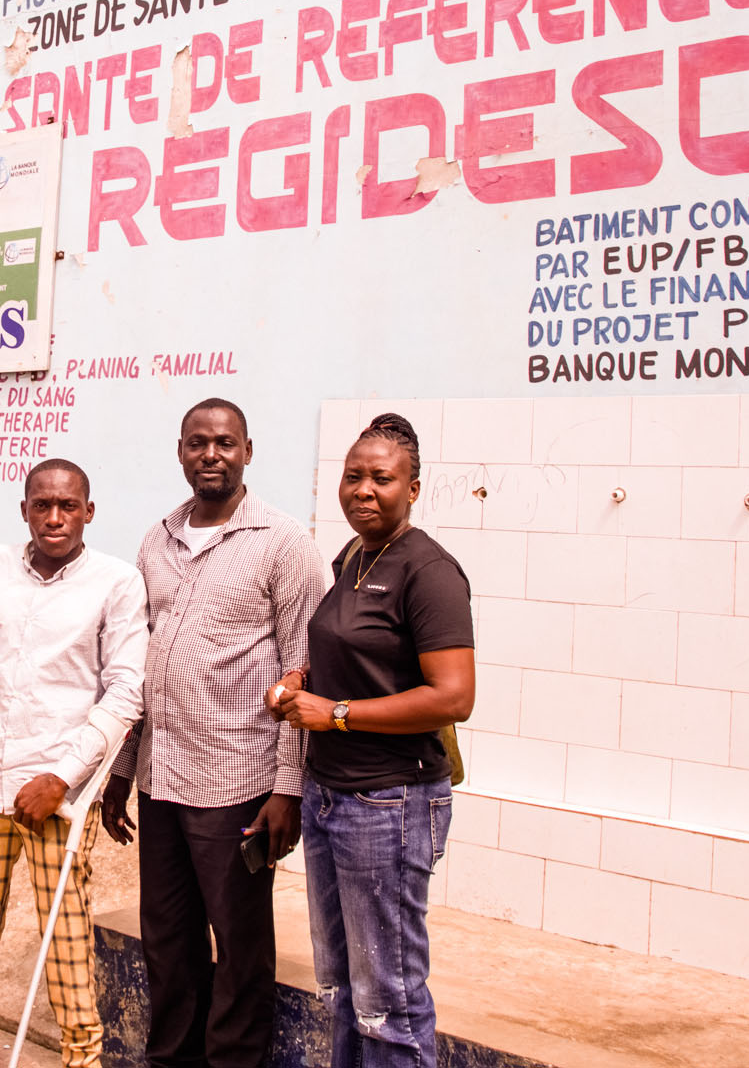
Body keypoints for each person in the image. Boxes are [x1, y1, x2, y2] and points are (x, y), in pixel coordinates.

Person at [101, 398, 324, 1068]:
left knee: (240, 947)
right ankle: (170, 1059)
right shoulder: (156, 538)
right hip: (161, 780)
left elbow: (303, 671)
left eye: (225, 442)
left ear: (248, 450)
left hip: (240, 785)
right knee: (167, 941)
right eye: (198, 442)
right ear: (180, 450)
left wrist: (289, 787)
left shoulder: (284, 543)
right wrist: (120, 771)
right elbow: (141, 661)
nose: (211, 454)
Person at [0, 458, 149, 1068]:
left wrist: (63, 777)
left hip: (59, 796)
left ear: (89, 512)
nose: (54, 517)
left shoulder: (116, 583)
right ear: (24, 510)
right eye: (41, 504)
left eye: (68, 505)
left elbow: (126, 690)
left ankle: (81, 1060)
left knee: (66, 942)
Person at [267, 412, 475, 1068]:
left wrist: (337, 714)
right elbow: (350, 652)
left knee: (389, 1000)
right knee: (345, 988)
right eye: (352, 475)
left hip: (391, 804)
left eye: (381, 477)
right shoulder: (352, 556)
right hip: (331, 798)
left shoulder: (431, 571)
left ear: (413, 487)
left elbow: (454, 696)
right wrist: (302, 678)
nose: (363, 489)